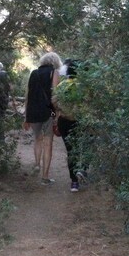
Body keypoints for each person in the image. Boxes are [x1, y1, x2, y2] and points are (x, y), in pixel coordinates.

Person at [23, 52, 62, 185]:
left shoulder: (33, 73)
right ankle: (45, 177)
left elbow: (28, 95)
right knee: (48, 143)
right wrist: (57, 114)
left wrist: (26, 116)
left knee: (37, 139)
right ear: (55, 62)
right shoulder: (54, 73)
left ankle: (37, 164)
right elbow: (55, 96)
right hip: (47, 112)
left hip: (33, 112)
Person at [54, 58, 85, 192]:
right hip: (81, 121)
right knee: (84, 147)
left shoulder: (61, 85)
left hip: (64, 121)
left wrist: (56, 116)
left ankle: (74, 182)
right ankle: (82, 170)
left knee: (70, 150)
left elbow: (54, 103)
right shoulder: (83, 86)